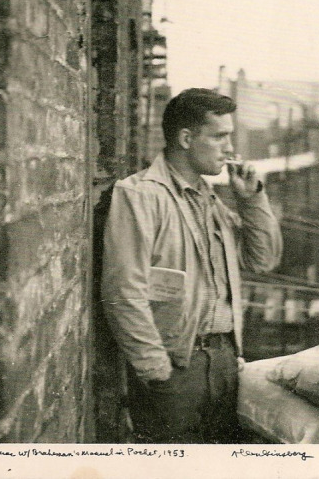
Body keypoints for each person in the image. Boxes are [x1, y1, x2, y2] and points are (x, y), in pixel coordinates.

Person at [101, 88, 282, 443]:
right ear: (186, 138)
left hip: (226, 364)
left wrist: (252, 200)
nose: (230, 148)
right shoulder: (141, 195)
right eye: (220, 136)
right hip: (177, 370)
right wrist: (158, 373)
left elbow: (262, 260)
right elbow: (123, 292)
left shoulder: (209, 200)